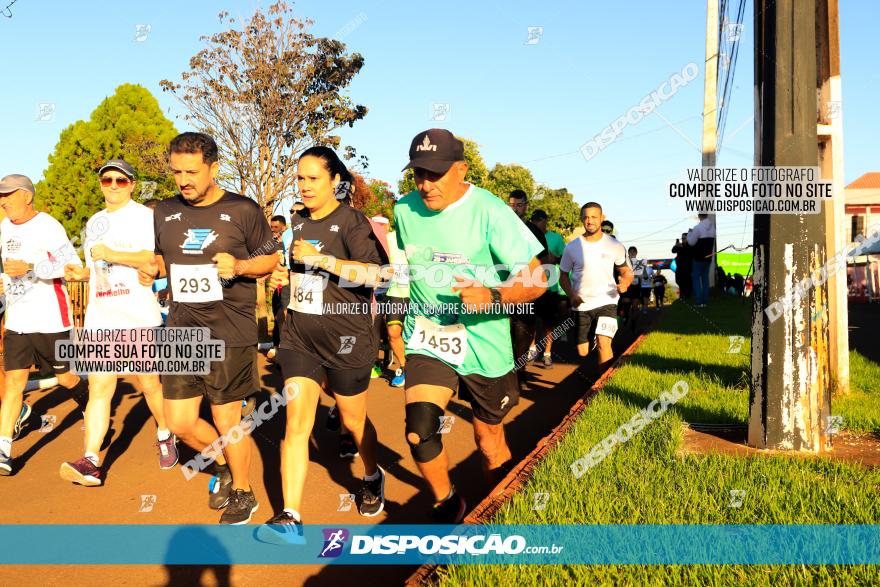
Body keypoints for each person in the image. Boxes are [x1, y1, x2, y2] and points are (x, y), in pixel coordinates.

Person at [393, 129, 547, 523]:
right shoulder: (404, 210)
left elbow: (538, 279)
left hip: (484, 340)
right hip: (429, 336)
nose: (425, 184)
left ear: (460, 169)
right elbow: (404, 271)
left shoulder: (490, 210)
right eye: (418, 174)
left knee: (488, 439)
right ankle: (448, 503)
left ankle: (504, 518)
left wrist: (493, 296)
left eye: (435, 173)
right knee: (419, 428)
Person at [138, 132, 278, 524]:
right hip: (182, 330)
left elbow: (270, 260)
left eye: (192, 171)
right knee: (180, 422)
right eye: (177, 172)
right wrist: (154, 267)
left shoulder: (242, 210)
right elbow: (164, 257)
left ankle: (244, 491)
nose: (184, 180)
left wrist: (240, 266)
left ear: (214, 168)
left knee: (226, 418)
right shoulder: (163, 211)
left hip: (229, 330)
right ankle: (220, 465)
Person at [256, 146, 389, 543]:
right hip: (300, 337)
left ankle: (371, 474)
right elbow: (301, 271)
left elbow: (377, 277)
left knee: (353, 420)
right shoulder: (296, 223)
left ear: (335, 181)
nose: (305, 185)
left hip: (346, 338)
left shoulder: (353, 222)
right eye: (300, 178)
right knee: (296, 424)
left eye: (313, 178)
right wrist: (284, 271)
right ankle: (291, 516)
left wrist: (325, 261)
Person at [58, 160, 176, 486]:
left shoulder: (146, 217)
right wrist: (81, 274)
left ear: (132, 184)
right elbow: (95, 267)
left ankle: (166, 433)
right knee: (99, 388)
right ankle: (91, 460)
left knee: (150, 384)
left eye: (120, 180)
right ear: (100, 183)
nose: (112, 185)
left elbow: (156, 260)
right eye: (106, 179)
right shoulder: (94, 222)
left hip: (138, 315)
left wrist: (113, 254)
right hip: (102, 317)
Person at [0, 174, 86, 475]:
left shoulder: (48, 226)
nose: (3, 200)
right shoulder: (3, 228)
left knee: (65, 378)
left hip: (51, 318)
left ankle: (89, 404)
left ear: (26, 196)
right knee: (13, 383)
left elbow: (73, 266)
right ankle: (4, 450)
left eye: (8, 194)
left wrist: (32, 268)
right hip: (18, 320)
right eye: (1, 196)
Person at [559, 202, 633, 374]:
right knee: (582, 351)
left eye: (594, 217)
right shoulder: (572, 247)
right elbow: (563, 275)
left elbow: (626, 272)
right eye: (586, 217)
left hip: (607, 301)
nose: (590, 221)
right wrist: (571, 295)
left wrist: (626, 283)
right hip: (582, 304)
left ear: (602, 218)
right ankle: (592, 332)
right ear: (582, 220)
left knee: (603, 343)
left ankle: (604, 385)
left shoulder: (614, 245)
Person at [506, 190, 549, 381]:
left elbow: (544, 259)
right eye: (512, 205)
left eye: (519, 205)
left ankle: (519, 368)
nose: (515, 209)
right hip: (503, 287)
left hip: (526, 288)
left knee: (523, 330)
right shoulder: (501, 227)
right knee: (504, 330)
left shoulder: (535, 231)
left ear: (526, 206)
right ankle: (507, 369)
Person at [529, 209, 566, 367]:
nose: (538, 224)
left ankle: (547, 353)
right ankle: (531, 348)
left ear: (545, 221)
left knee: (548, 322)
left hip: (549, 287)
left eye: (541, 221)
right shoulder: (527, 236)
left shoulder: (556, 238)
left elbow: (564, 259)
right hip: (529, 286)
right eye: (535, 221)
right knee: (529, 321)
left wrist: (553, 258)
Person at [268, 215, 289, 362]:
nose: (274, 230)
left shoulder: (289, 241)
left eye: (276, 227)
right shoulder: (271, 244)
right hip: (275, 284)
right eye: (272, 227)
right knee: (276, 314)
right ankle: (276, 345)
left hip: (288, 283)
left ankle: (286, 348)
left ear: (283, 227)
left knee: (284, 314)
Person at [687, 213, 715, 308]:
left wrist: (689, 234)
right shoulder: (712, 227)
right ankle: (705, 301)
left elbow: (691, 242)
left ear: (699, 216)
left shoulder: (697, 228)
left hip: (698, 257)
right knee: (705, 279)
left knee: (696, 279)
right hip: (708, 257)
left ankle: (699, 301)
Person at [671, 233, 692, 300]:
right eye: (682, 238)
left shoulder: (690, 246)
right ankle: (682, 295)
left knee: (687, 282)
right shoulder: (680, 245)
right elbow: (673, 250)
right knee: (679, 281)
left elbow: (689, 252)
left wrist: (682, 247)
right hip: (679, 267)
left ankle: (687, 296)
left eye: (684, 238)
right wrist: (676, 245)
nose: (682, 240)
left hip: (687, 267)